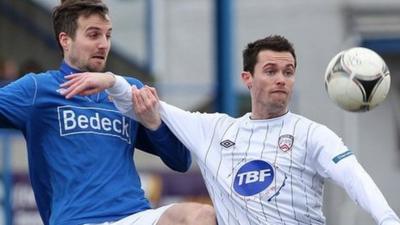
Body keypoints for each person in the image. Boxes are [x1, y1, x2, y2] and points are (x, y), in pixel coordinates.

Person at [59, 35, 400, 225]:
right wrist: (110, 80)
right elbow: (146, 103)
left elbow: (354, 177)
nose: (281, 78)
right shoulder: (213, 130)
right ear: (247, 79)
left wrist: (387, 220)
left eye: (288, 71)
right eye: (271, 70)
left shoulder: (312, 134)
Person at [0, 0, 217, 225]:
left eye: (108, 36)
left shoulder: (125, 90)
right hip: (78, 220)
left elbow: (181, 161)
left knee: (201, 216)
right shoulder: (38, 88)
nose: (104, 44)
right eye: (94, 35)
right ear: (65, 40)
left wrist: (154, 124)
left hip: (134, 215)